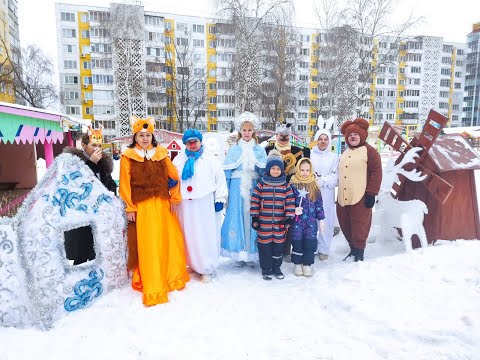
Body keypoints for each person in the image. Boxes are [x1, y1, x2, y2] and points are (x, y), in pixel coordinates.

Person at [119, 116, 189, 306]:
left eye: (148, 135)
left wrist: (174, 196)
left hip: (162, 206)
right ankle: (154, 282)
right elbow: (124, 185)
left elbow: (174, 176)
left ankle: (171, 277)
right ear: (135, 137)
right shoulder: (128, 156)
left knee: (168, 241)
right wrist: (130, 207)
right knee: (150, 245)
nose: (145, 139)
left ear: (152, 136)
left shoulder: (161, 153)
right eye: (141, 135)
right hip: (144, 207)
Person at [173, 129, 228, 283]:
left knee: (205, 235)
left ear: (200, 142)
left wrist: (220, 198)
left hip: (205, 203)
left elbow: (220, 179)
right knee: (188, 235)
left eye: (195, 141)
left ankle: (206, 267)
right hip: (185, 205)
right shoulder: (178, 160)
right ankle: (192, 263)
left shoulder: (210, 159)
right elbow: (171, 178)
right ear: (185, 144)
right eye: (189, 142)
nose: (192, 145)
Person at [62, 125, 117, 265]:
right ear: (83, 144)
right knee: (81, 256)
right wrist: (91, 163)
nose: (97, 148)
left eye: (99, 145)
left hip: (98, 215)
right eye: (93, 145)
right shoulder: (73, 162)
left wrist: (111, 192)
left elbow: (108, 182)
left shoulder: (103, 162)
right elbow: (78, 183)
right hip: (81, 216)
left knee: (97, 254)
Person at [221, 112, 267, 266]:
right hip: (236, 189)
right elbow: (227, 171)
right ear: (240, 131)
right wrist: (225, 191)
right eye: (244, 130)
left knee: (253, 216)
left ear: (254, 131)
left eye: (250, 130)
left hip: (254, 188)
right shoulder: (234, 150)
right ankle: (238, 252)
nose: (247, 133)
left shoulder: (259, 150)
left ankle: (252, 253)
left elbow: (264, 172)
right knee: (237, 216)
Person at [336, 118, 382, 262]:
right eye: (350, 135)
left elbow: (377, 172)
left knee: (359, 224)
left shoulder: (370, 151)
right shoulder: (345, 152)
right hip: (343, 196)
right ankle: (352, 250)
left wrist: (371, 193)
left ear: (362, 135)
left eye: (356, 134)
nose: (353, 137)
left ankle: (359, 252)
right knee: (345, 222)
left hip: (360, 196)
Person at [265, 122, 310, 261]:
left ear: (290, 136)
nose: (283, 138)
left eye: (286, 135)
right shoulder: (267, 149)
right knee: (274, 218)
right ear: (276, 135)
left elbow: (305, 168)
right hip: (272, 190)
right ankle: (273, 249)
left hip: (292, 190)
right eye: (280, 135)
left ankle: (286, 250)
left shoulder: (297, 150)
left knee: (290, 218)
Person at [250, 150, 296, 280]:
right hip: (264, 223)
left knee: (278, 247)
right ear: (268, 169)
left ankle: (276, 268)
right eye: (273, 168)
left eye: (278, 168)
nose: (275, 171)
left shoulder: (285, 186)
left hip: (280, 224)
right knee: (265, 247)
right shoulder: (261, 185)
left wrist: (289, 218)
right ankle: (266, 268)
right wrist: (255, 217)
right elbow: (255, 201)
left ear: (282, 170)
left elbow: (290, 202)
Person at [289, 158, 325, 277]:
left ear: (311, 170)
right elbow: (288, 201)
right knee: (297, 242)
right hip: (297, 222)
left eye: (307, 170)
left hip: (311, 222)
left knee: (310, 243)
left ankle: (307, 264)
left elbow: (319, 203)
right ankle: (297, 263)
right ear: (298, 169)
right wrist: (293, 209)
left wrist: (321, 219)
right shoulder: (293, 184)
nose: (305, 172)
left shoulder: (314, 185)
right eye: (302, 170)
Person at [310, 127, 339, 261]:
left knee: (325, 221)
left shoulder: (333, 157)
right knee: (310, 219)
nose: (322, 142)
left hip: (326, 192)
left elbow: (336, 177)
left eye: (325, 139)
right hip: (310, 191)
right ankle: (310, 247)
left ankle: (323, 248)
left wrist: (323, 181)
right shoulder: (310, 155)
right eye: (320, 139)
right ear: (316, 140)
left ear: (329, 141)